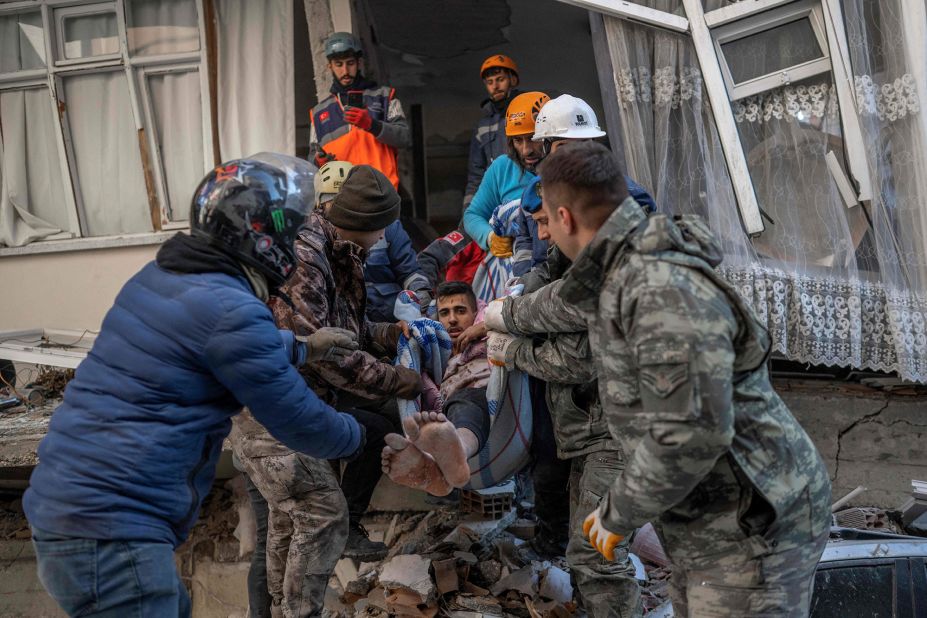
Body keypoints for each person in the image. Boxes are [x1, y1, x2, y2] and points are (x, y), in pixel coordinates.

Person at [487, 141, 831, 617]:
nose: (541, 233)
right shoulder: (621, 271)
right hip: (710, 517)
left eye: (544, 219)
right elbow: (560, 301)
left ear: (564, 217)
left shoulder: (659, 288)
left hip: (749, 524)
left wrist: (618, 510)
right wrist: (505, 317)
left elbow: (692, 432)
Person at [23, 155, 364, 617]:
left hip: (72, 508)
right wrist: (363, 436)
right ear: (265, 239)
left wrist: (303, 347)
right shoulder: (231, 310)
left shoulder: (164, 277)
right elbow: (301, 422)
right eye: (291, 232)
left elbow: (211, 342)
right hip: (110, 528)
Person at [272, 164, 425, 562]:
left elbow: (343, 327)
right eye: (383, 229)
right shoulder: (307, 258)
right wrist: (399, 380)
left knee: (380, 427)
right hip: (278, 405)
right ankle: (339, 535)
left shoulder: (338, 246)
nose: (384, 239)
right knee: (284, 538)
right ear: (366, 221)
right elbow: (327, 356)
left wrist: (385, 333)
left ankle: (344, 529)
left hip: (308, 391)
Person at [417, 54, 522, 287]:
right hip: (491, 201)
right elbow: (475, 175)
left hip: (518, 199)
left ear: (513, 80)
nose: (495, 85)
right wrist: (468, 214)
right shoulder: (482, 126)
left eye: (501, 79)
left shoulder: (523, 113)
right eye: (490, 81)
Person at [381, 281, 493, 491]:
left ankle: (459, 448)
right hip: (446, 408)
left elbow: (512, 310)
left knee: (465, 403)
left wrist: (488, 324)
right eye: (445, 313)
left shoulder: (488, 332)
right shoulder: (434, 347)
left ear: (476, 312)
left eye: (460, 311)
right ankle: (431, 470)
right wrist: (393, 334)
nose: (452, 319)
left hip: (484, 398)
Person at [314, 161, 432, 322]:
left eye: (343, 200)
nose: (340, 209)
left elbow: (409, 270)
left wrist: (421, 294)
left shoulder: (388, 225)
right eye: (332, 202)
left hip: (391, 320)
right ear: (318, 203)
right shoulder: (315, 242)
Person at [309, 32, 409, 189]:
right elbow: (311, 161)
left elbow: (404, 137)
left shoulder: (384, 96)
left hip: (381, 194)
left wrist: (371, 124)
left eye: (350, 63)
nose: (345, 71)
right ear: (330, 67)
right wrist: (319, 161)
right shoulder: (318, 112)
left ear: (359, 63)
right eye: (339, 64)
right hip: (340, 197)